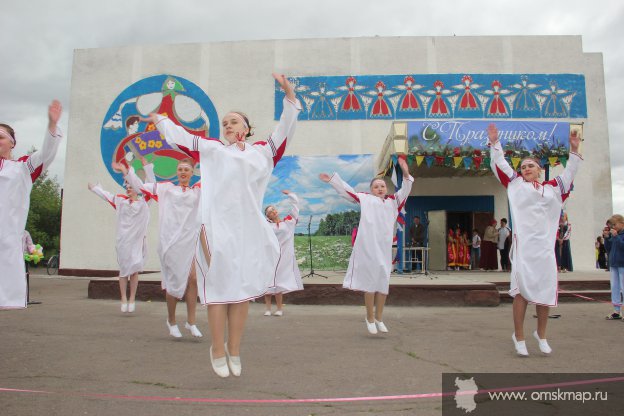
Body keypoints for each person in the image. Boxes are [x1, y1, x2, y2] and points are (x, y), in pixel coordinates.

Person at [143, 73, 301, 378]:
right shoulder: (212, 148)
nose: (228, 125)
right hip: (215, 227)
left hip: (247, 229)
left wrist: (289, 94)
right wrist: (160, 120)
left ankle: (235, 348)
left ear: (246, 129)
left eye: (234, 121)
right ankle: (217, 347)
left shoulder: (261, 153)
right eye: (225, 122)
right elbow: (180, 136)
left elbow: (284, 130)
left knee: (241, 291)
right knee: (218, 287)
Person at [488, 123, 582, 356]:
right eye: (523, 166)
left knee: (545, 292)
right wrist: (495, 143)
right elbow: (500, 165)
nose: (526, 168)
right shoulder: (515, 184)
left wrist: (574, 149)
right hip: (524, 250)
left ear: (540, 169)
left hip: (545, 250)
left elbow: (570, 173)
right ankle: (519, 336)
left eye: (531, 165)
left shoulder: (554, 189)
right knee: (521, 292)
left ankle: (541, 334)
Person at [319, 156, 413, 335]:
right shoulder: (366, 199)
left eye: (382, 186)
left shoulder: (394, 202)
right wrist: (333, 181)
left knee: (383, 284)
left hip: (384, 248)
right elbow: (349, 193)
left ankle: (379, 318)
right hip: (368, 247)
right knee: (370, 283)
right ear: (371, 189)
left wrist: (406, 173)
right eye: (376, 186)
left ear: (386, 188)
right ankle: (369, 317)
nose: (379, 189)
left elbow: (406, 189)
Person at [122, 158, 203, 338]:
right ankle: (171, 320)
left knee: (193, 279)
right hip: (170, 243)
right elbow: (141, 186)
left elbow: (218, 180)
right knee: (174, 284)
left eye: (186, 170)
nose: (183, 172)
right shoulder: (166, 189)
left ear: (191, 173)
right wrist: (128, 172)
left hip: (188, 241)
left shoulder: (198, 191)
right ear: (177, 172)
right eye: (180, 169)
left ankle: (191, 322)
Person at [0, 101, 63, 310]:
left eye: (0, 137)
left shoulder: (22, 169)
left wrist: (52, 126)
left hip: (6, 242)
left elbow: (44, 155)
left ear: (12, 143)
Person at [88, 161, 153, 314]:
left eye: (132, 187)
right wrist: (94, 188)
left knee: (135, 270)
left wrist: (146, 168)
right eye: (128, 187)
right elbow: (106, 196)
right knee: (124, 271)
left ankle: (132, 298)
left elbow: (151, 185)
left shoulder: (144, 203)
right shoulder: (120, 201)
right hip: (123, 242)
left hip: (137, 243)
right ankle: (123, 298)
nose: (129, 189)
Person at [263, 190, 304, 316]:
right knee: (268, 283)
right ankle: (268, 309)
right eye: (270, 212)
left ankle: (279, 309)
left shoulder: (288, 223)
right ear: (267, 216)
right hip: (271, 257)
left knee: (279, 284)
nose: (273, 212)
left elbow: (296, 209)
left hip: (284, 258)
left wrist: (291, 195)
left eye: (273, 209)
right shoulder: (266, 226)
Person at [604, 215, 624, 320]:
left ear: (622, 223)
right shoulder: (615, 235)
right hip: (614, 264)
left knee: (623, 287)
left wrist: (616, 237)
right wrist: (607, 238)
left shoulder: (620, 235)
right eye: (612, 225)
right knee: (615, 287)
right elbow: (608, 248)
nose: (613, 227)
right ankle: (616, 310)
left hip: (622, 264)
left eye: (614, 225)